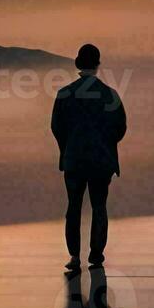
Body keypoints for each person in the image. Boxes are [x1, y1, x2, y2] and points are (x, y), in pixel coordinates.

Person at [50, 43, 126, 272]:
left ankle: (74, 256)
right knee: (99, 206)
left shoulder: (64, 94)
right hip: (102, 160)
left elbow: (56, 127)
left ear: (77, 64)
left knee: (73, 207)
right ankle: (96, 254)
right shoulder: (110, 95)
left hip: (74, 159)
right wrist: (106, 144)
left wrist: (68, 147)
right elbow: (120, 128)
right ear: (98, 64)